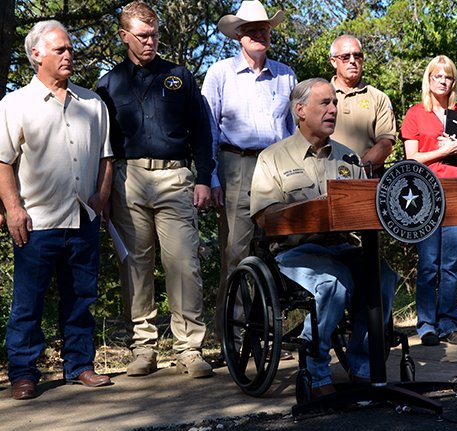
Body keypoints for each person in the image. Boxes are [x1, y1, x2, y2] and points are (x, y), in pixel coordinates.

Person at [250, 78, 398, 397]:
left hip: (342, 247)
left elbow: (365, 211)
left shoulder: (348, 159)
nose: (333, 109)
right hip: (292, 254)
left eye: (334, 103)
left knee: (382, 275)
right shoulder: (273, 158)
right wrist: (315, 211)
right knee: (334, 281)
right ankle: (316, 371)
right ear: (300, 110)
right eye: (325, 104)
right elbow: (265, 217)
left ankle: (362, 367)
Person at [96, 1, 214, 378]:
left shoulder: (179, 76)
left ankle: (189, 349)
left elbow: (203, 131)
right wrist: (102, 192)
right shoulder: (109, 83)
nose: (150, 42)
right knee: (134, 265)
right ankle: (143, 347)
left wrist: (203, 178)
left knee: (183, 263)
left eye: (155, 34)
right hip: (128, 180)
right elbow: (102, 145)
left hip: (175, 178)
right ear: (124, 36)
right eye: (143, 36)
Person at [0, 20, 113, 400]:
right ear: (37, 55)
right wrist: (13, 209)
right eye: (60, 49)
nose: (69, 55)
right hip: (37, 220)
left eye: (69, 48)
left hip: (83, 217)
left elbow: (105, 157)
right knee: (28, 303)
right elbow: (2, 162)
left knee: (81, 297)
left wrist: (101, 198)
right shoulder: (14, 104)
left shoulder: (93, 103)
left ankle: (79, 365)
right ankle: (23, 373)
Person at [201, 0, 296, 361]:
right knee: (236, 254)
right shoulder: (219, 73)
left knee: (276, 252)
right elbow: (209, 130)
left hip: (276, 168)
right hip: (235, 165)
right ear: (239, 35)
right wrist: (210, 178)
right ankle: (234, 340)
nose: (260, 33)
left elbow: (293, 131)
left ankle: (270, 337)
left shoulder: (286, 74)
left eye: (265, 28)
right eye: (252, 28)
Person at [400, 55, 457, 346]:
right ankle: (426, 326)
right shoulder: (415, 114)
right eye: (437, 76)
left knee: (450, 264)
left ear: (453, 82)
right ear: (429, 79)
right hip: (424, 192)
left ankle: (449, 324)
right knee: (428, 263)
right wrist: (443, 150)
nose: (443, 81)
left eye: (448, 77)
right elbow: (412, 159)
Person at [329, 35, 396, 176]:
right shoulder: (319, 96)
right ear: (334, 62)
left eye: (357, 56)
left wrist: (356, 173)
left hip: (367, 181)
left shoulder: (379, 98)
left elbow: (385, 145)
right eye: (345, 57)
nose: (352, 61)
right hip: (325, 180)